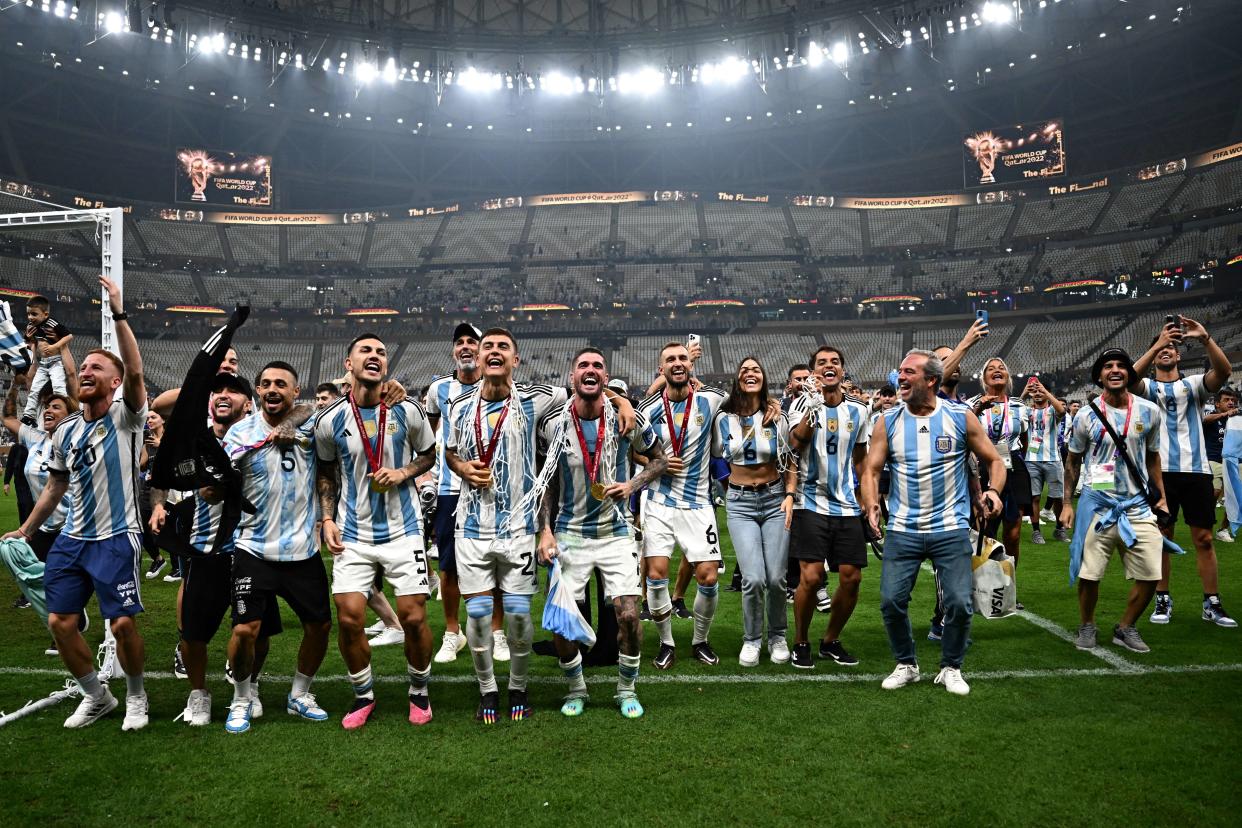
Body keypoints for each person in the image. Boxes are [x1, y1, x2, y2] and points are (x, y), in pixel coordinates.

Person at [4, 276, 150, 730]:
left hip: (116, 538)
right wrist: (25, 530)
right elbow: (54, 488)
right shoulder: (65, 431)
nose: (85, 371)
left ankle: (137, 696)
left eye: (95, 367)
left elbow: (139, 373)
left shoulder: (127, 418)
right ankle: (96, 695)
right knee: (60, 622)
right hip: (72, 539)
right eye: (82, 367)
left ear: (115, 380)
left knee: (123, 626)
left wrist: (119, 313)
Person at [860, 349, 1005, 696]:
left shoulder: (959, 417)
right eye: (900, 372)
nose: (901, 378)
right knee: (891, 601)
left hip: (950, 527)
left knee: (958, 602)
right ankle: (906, 663)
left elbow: (994, 461)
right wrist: (871, 503)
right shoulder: (889, 421)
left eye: (909, 372)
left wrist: (995, 491)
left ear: (931, 381)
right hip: (904, 529)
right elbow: (871, 469)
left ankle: (951, 667)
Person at [444, 328, 570, 723]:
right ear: (478, 360)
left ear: (516, 360)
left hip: (519, 529)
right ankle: (487, 690)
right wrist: (462, 466)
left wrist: (617, 399)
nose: (495, 352)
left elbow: (584, 387)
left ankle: (517, 685)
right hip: (471, 528)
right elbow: (448, 452)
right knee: (480, 615)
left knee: (516, 616)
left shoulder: (537, 399)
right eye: (488, 348)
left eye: (503, 348)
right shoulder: (460, 406)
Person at [315, 334, 438, 729]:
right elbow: (326, 471)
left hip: (404, 530)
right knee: (349, 618)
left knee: (414, 618)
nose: (375, 356)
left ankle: (418, 690)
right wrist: (328, 518)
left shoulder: (408, 410)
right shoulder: (329, 419)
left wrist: (403, 472)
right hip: (353, 532)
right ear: (347, 363)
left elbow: (429, 455)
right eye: (365, 351)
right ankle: (363, 695)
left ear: (386, 366)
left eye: (381, 352)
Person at [537, 347, 667, 718]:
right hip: (570, 534)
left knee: (628, 615)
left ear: (605, 378)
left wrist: (632, 485)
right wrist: (545, 531)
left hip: (616, 532)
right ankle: (576, 689)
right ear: (572, 377)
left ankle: (626, 690)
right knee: (561, 623)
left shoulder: (628, 419)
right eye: (583, 366)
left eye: (597, 366)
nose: (590, 370)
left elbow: (660, 459)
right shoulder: (553, 424)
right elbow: (547, 483)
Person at [216, 361, 332, 734]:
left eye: (281, 384)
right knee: (245, 631)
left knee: (319, 625)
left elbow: (322, 407)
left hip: (303, 550)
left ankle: (300, 694)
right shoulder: (239, 435)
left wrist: (292, 422)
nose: (272, 389)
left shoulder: (311, 429)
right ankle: (242, 697)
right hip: (254, 548)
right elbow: (221, 483)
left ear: (295, 392)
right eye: (265, 384)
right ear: (257, 392)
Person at [164, 373, 284, 726]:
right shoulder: (191, 440)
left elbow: (304, 412)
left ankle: (250, 686)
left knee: (258, 631)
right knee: (193, 633)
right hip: (206, 550)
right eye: (216, 389)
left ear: (249, 403)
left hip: (252, 548)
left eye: (234, 390)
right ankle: (198, 693)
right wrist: (159, 504)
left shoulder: (262, 435)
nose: (223, 395)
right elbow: (162, 477)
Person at [1130, 316, 1235, 628]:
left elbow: (1225, 372)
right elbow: (1127, 378)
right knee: (1162, 537)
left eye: (1172, 348)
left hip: (1196, 471)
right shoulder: (1146, 387)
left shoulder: (1193, 385)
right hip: (1159, 472)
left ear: (1178, 355)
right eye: (1162, 348)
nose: (1167, 350)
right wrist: (1157, 344)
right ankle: (1162, 597)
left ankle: (1211, 602)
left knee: (1203, 538)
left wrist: (1205, 339)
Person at [1063, 349, 1170, 653]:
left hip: (1136, 504)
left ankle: (1126, 626)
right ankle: (1087, 624)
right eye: (1108, 366)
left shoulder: (1149, 411)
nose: (1115, 370)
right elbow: (1072, 462)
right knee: (1089, 573)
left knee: (1152, 573)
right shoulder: (1086, 415)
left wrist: (1160, 498)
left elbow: (1153, 459)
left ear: (1130, 374)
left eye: (1121, 366)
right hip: (1097, 503)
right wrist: (1068, 504)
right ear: (1099, 376)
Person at [636, 342, 731, 669]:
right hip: (659, 504)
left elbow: (748, 399)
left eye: (682, 358)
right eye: (670, 360)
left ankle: (700, 640)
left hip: (698, 505)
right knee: (657, 574)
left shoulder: (711, 400)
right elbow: (633, 449)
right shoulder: (648, 410)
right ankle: (666, 643)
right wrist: (657, 462)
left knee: (708, 577)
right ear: (661, 370)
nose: (677, 363)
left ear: (691, 366)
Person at [424, 323, 509, 665]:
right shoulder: (438, 389)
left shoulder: (503, 386)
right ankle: (451, 633)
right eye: (458, 341)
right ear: (453, 351)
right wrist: (425, 474)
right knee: (449, 567)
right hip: (450, 490)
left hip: (493, 489)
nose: (465, 346)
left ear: (481, 349)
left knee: (499, 563)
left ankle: (497, 632)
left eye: (471, 341)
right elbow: (426, 438)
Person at [788, 346, 871, 668]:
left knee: (851, 578)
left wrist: (867, 500)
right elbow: (796, 443)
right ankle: (801, 640)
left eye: (834, 362)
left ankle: (831, 640)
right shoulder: (801, 404)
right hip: (809, 502)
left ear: (842, 370)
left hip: (847, 505)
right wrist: (814, 404)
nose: (829, 366)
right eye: (822, 363)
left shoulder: (859, 411)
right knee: (810, 578)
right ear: (813, 372)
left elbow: (861, 459)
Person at [712, 357, 794, 667]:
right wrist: (725, 486)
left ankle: (777, 636)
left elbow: (791, 460)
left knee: (776, 578)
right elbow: (715, 457)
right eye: (744, 370)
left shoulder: (777, 416)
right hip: (740, 503)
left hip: (774, 499)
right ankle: (751, 639)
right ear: (737, 378)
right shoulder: (722, 418)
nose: (750, 373)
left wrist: (789, 494)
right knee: (753, 578)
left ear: (763, 377)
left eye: (756, 369)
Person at [3, 358, 81, 652]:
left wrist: (60, 350)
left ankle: (67, 627)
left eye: (56, 407)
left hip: (74, 522)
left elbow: (71, 379)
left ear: (70, 415)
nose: (48, 409)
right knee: (40, 576)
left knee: (62, 578)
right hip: (44, 524)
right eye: (46, 406)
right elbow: (8, 418)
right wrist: (15, 383)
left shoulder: (76, 437)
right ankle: (67, 622)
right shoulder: (35, 439)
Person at [968, 359, 1031, 582]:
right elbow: (964, 434)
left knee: (1013, 535)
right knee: (984, 530)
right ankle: (985, 585)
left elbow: (1024, 438)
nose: (997, 371)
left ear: (1008, 376)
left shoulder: (1019, 406)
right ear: (983, 378)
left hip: (1013, 465)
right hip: (983, 467)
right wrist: (977, 410)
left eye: (1002, 367)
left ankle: (1007, 585)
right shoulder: (970, 404)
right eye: (991, 369)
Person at [1022, 377, 1069, 544]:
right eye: (1034, 392)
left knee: (1057, 497)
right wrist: (1025, 393)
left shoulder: (1051, 411)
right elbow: (1012, 413)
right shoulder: (1027, 411)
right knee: (1034, 497)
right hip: (1031, 460)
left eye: (1039, 391)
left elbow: (1062, 411)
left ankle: (1059, 528)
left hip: (1053, 459)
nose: (1037, 394)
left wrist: (1045, 391)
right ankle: (1036, 531)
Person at [20, 295, 73, 425]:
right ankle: (29, 415)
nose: (30, 317)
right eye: (28, 314)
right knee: (34, 390)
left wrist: (54, 346)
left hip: (55, 362)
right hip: (42, 364)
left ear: (45, 314)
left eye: (34, 314)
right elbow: (27, 341)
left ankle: (66, 413)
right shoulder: (31, 326)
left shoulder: (52, 323)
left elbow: (69, 336)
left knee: (58, 387)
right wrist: (28, 337)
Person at [1207, 388, 1238, 543]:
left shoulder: (1238, 420)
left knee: (1236, 499)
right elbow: (1205, 421)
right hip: (1214, 460)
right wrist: (1225, 415)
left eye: (1233, 400)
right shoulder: (1212, 417)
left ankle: (1223, 529)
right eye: (1227, 400)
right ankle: (1205, 525)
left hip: (1235, 462)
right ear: (1217, 404)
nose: (1231, 402)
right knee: (1214, 493)